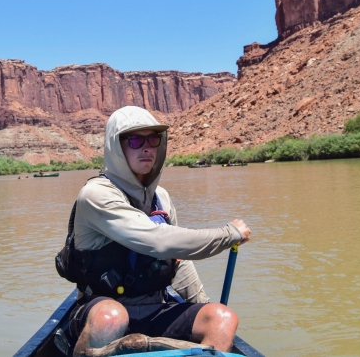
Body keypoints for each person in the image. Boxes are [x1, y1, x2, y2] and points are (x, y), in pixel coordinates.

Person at [65, 106, 251, 355]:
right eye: (135, 140)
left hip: (154, 308)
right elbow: (157, 241)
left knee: (222, 318)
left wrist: (203, 305)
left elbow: (176, 258)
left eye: (153, 139)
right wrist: (228, 234)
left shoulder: (160, 197)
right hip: (101, 309)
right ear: (116, 147)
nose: (146, 147)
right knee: (112, 317)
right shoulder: (96, 195)